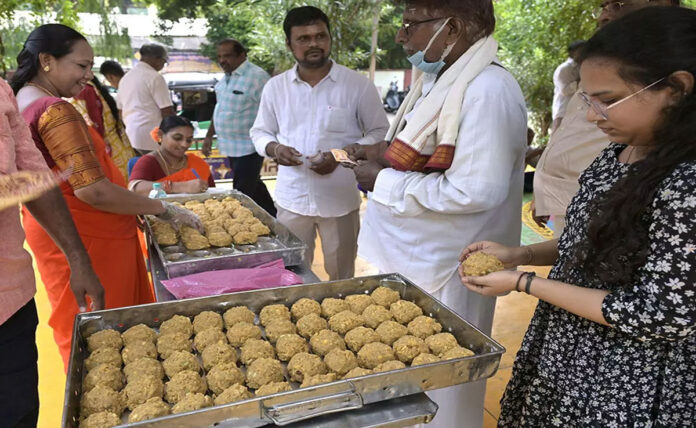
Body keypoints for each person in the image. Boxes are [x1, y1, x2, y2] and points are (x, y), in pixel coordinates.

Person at [460, 7, 696, 425]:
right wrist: (521, 255)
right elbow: (594, 242)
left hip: (627, 377)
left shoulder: (687, 181)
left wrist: (523, 283)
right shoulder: (619, 152)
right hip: (567, 348)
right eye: (588, 99)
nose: (592, 115)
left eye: (608, 101)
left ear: (676, 88)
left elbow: (658, 314)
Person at [346, 1, 527, 426]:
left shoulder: (486, 88)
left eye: (410, 25)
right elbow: (422, 152)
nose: (400, 36)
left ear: (452, 30)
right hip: (417, 255)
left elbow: (474, 189)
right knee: (410, 372)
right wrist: (379, 155)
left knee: (447, 383)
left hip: (451, 266)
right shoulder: (439, 79)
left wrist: (382, 180)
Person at [11, 24, 201, 369]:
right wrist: (161, 209)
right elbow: (93, 190)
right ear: (47, 61)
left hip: (58, 230)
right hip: (90, 236)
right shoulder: (54, 109)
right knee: (107, 336)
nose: (88, 77)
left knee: (82, 326)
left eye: (91, 68)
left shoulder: (21, 100)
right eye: (81, 66)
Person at [250, 6, 389, 280]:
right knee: (292, 274)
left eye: (320, 36)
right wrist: (275, 149)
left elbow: (378, 134)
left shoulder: (357, 85)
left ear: (329, 39)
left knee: (342, 275)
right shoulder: (275, 88)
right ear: (289, 44)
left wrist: (337, 156)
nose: (314, 43)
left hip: (339, 199)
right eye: (303, 38)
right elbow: (260, 132)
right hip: (291, 200)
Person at [0, 78, 104, 428]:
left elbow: (34, 178)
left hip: (9, 301)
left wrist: (79, 259)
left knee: (20, 413)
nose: (85, 75)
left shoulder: (2, 92)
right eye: (80, 65)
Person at [532, 0, 681, 236]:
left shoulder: (680, 187)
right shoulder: (611, 158)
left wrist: (522, 275)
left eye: (618, 4)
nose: (604, 15)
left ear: (675, 89)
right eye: (604, 5)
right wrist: (545, 189)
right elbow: (582, 251)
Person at [202, 39, 276, 216]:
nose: (222, 60)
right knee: (253, 185)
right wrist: (208, 136)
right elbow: (219, 109)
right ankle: (274, 215)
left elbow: (274, 110)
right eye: (220, 56)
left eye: (227, 56)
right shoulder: (225, 79)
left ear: (242, 55)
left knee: (242, 192)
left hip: (249, 146)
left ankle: (243, 228)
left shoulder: (258, 77)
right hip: (230, 146)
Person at [130, 115, 214, 195]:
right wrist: (180, 186)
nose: (184, 144)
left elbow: (212, 193)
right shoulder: (149, 162)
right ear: (160, 134)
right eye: (177, 138)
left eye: (189, 140)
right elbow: (135, 188)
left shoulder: (197, 163)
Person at [71, 76, 135, 180]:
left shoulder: (84, 90)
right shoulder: (88, 87)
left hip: (108, 153)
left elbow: (95, 127)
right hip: (117, 149)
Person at [117, 44, 175, 156]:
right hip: (151, 138)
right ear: (158, 59)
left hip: (131, 137)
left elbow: (119, 111)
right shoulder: (155, 77)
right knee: (157, 171)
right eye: (164, 61)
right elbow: (167, 112)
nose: (163, 65)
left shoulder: (126, 78)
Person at [550, 40, 584, 133]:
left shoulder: (581, 67)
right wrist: (583, 80)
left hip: (577, 112)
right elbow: (565, 90)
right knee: (557, 141)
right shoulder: (564, 68)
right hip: (563, 112)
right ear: (572, 52)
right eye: (581, 50)